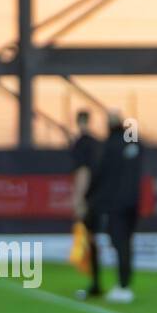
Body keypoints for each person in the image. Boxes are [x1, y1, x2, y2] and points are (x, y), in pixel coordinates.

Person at [86, 109, 144, 303]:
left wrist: (88, 197)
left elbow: (99, 174)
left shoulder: (109, 146)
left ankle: (123, 285)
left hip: (115, 203)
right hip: (132, 202)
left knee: (119, 243)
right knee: (126, 243)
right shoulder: (132, 143)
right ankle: (125, 283)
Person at [69, 109, 102, 300]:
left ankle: (94, 282)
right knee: (92, 238)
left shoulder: (81, 144)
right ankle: (95, 281)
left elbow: (83, 172)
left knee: (89, 238)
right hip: (100, 196)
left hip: (90, 198)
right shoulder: (97, 143)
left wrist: (79, 198)